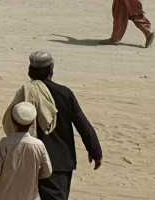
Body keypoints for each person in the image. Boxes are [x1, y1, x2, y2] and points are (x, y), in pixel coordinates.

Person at [20, 51, 103, 200]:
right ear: (51, 69)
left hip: (31, 159)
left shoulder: (25, 93)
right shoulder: (65, 93)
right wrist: (95, 151)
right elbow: (82, 123)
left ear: (29, 71)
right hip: (60, 161)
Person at [0, 102, 52, 200]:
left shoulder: (5, 144)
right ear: (32, 123)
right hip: (30, 196)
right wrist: (33, 175)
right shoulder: (39, 145)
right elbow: (47, 171)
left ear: (13, 123)